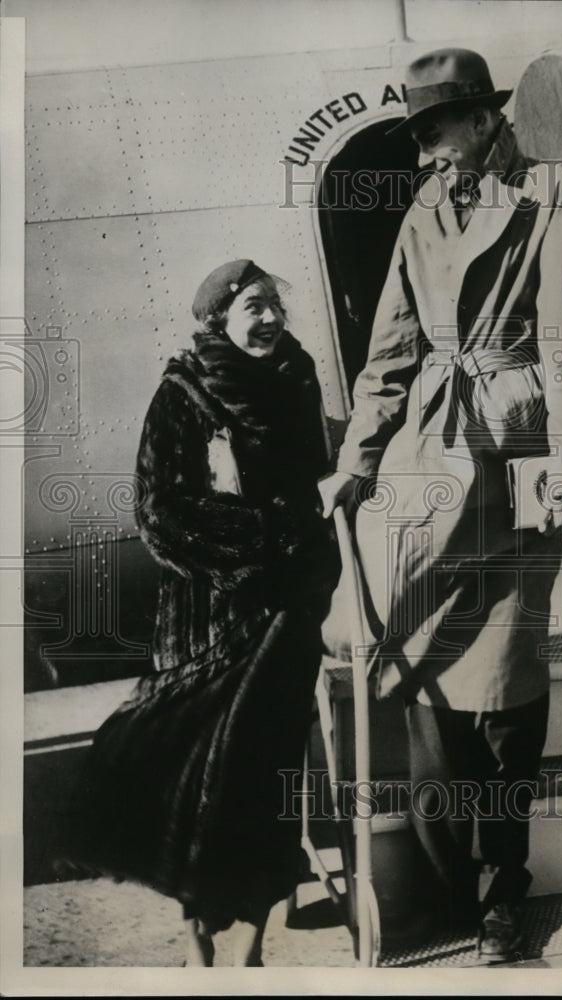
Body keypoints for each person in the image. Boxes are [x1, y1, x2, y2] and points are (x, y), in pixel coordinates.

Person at [319, 49, 562, 961]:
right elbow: (390, 354)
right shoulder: (424, 208)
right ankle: (442, 882)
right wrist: (356, 461)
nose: (426, 156)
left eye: (436, 134)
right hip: (425, 459)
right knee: (412, 662)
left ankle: (504, 887)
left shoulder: (555, 195)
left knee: (508, 680)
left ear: (484, 120)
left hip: (518, 453)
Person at [61, 259, 338, 967]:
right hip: (212, 620)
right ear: (218, 319)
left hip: (288, 613)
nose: (270, 318)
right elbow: (158, 514)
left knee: (267, 777)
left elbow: (312, 476)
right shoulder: (184, 393)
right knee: (196, 784)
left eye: (275, 303)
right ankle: (196, 933)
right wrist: (253, 545)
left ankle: (246, 946)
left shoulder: (295, 377)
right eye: (253, 306)